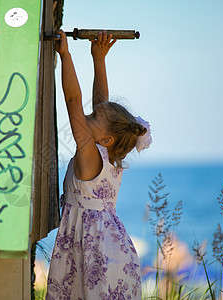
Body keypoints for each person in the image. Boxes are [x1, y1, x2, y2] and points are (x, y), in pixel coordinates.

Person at [45, 30, 152, 300]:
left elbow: (72, 103)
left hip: (92, 251)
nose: (87, 116)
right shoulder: (108, 154)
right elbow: (102, 104)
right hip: (110, 249)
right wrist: (99, 59)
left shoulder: (90, 155)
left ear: (105, 138)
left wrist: (66, 55)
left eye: (92, 117)